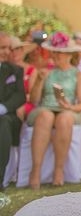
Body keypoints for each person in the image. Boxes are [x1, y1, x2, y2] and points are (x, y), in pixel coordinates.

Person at [27, 32, 81, 189]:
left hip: (67, 110)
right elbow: (34, 100)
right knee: (46, 117)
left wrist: (70, 107)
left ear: (69, 55)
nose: (56, 55)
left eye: (59, 52)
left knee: (64, 119)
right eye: (54, 52)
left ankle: (59, 170)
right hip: (45, 107)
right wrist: (40, 80)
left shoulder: (78, 75)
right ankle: (35, 170)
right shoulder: (45, 71)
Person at [0, 32, 26, 190]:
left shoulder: (15, 70)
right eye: (3, 47)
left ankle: (0, 179)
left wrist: (4, 108)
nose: (8, 52)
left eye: (9, 48)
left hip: (7, 116)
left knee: (3, 124)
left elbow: (20, 96)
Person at [10, 36, 37, 121]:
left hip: (24, 104)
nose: (14, 52)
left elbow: (33, 95)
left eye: (17, 49)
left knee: (18, 108)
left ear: (22, 50)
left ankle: (16, 134)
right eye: (11, 50)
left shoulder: (31, 70)